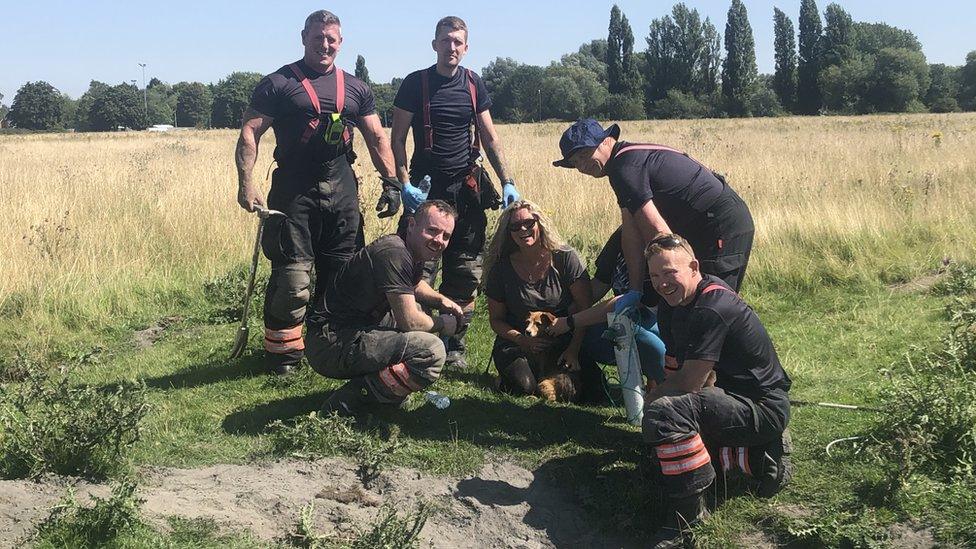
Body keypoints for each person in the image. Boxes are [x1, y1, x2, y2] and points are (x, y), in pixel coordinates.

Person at [235, 10, 403, 375]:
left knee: (342, 273)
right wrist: (246, 183)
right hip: (294, 189)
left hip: (342, 186)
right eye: (318, 37)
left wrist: (392, 184)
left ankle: (330, 346)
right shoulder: (278, 83)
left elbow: (376, 137)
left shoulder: (357, 88)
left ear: (340, 43)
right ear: (304, 37)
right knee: (294, 279)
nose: (324, 44)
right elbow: (250, 132)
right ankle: (283, 357)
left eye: (331, 39)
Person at [641, 234, 792, 548]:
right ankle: (760, 457)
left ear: (694, 266)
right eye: (655, 276)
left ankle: (689, 519)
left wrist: (655, 404)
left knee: (664, 414)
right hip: (727, 396)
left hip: (762, 406)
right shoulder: (673, 303)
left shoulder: (712, 306)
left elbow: (688, 383)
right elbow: (675, 364)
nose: (662, 283)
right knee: (662, 438)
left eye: (670, 273)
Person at [390, 15, 521, 370]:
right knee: (420, 269)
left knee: (465, 272)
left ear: (466, 47)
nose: (452, 48)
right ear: (435, 44)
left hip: (466, 190)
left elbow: (490, 137)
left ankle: (455, 345)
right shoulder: (414, 85)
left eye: (458, 42)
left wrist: (507, 179)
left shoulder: (474, 84)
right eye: (446, 41)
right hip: (427, 191)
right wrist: (404, 184)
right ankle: (418, 341)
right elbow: (397, 139)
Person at [552, 119, 755, 317]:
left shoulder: (625, 169)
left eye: (585, 154)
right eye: (574, 162)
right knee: (695, 306)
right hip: (708, 222)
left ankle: (742, 345)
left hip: (720, 224)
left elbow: (658, 232)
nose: (582, 166)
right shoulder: (625, 160)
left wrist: (666, 275)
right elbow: (631, 230)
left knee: (711, 305)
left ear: (606, 141)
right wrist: (636, 289)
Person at [305, 200, 464, 416]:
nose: (439, 241)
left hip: (346, 331)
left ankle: (383, 391)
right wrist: (444, 324)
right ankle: (351, 401)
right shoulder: (394, 254)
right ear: (411, 225)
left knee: (418, 311)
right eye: (432, 231)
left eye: (445, 236)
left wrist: (440, 300)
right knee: (431, 351)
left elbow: (414, 284)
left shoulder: (408, 250)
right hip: (331, 343)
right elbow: (410, 321)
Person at [482, 201, 604, 403]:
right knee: (524, 387)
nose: (523, 229)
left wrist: (573, 350)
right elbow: (496, 320)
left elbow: (584, 307)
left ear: (540, 223)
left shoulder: (565, 258)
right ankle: (504, 380)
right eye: (515, 226)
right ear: (508, 232)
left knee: (593, 393)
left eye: (529, 223)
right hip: (517, 340)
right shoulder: (500, 268)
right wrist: (522, 340)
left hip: (563, 339)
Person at [546, 227, 667, 386]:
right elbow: (597, 287)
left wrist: (571, 321)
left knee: (648, 341)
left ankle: (662, 384)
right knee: (584, 333)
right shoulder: (621, 236)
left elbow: (626, 302)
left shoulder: (666, 242)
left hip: (659, 324)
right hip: (625, 319)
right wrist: (562, 312)